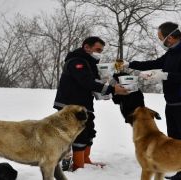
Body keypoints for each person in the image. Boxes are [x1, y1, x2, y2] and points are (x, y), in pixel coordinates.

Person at [118, 22, 181, 180]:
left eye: (160, 38)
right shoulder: (171, 53)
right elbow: (155, 63)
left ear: (170, 37)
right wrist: (130, 64)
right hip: (172, 105)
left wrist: (166, 76)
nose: (160, 41)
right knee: (175, 142)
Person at [53, 36, 128, 171]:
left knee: (88, 131)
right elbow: (86, 82)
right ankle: (77, 165)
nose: (99, 52)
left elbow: (96, 83)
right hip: (70, 106)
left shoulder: (90, 64)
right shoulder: (76, 62)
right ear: (87, 47)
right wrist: (112, 89)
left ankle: (85, 160)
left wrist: (112, 81)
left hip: (84, 104)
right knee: (79, 134)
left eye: (101, 50)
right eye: (97, 49)